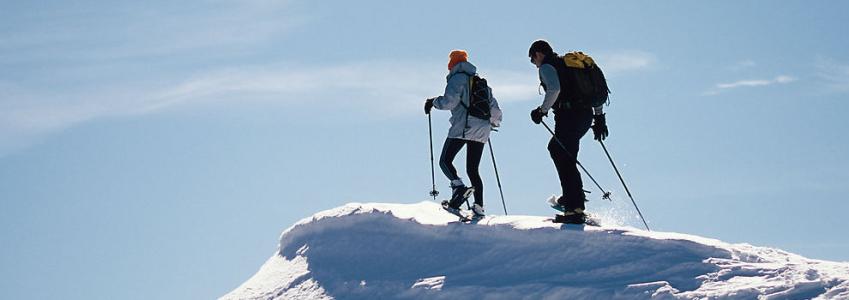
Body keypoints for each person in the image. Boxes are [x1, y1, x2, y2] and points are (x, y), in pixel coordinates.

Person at [528, 40, 609, 224]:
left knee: (559, 152)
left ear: (539, 54)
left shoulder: (548, 66)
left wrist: (542, 110)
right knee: (565, 154)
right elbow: (591, 92)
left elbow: (555, 89)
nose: (534, 64)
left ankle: (574, 207)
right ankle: (572, 197)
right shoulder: (569, 65)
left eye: (533, 59)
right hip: (585, 115)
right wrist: (599, 118)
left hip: (568, 116)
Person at [425, 50, 502, 217]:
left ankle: (459, 187)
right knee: (473, 169)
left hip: (463, 126)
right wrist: (493, 124)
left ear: (451, 65)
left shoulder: (457, 79)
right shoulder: (481, 82)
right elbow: (495, 110)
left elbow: (449, 102)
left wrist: (433, 102)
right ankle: (479, 206)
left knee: (445, 161)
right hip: (482, 129)